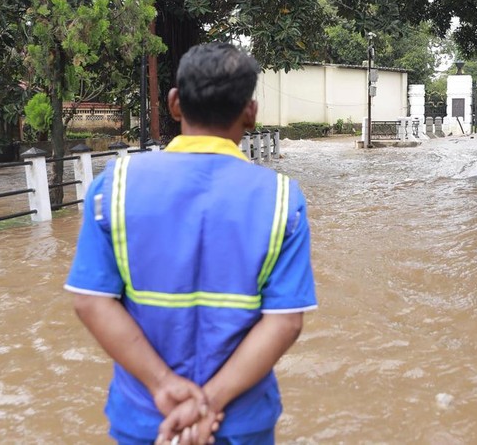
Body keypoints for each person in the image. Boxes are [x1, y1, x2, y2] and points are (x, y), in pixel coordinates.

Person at [65, 42, 317, 444]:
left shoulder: (114, 186)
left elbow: (91, 301)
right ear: (250, 113)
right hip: (239, 422)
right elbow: (285, 321)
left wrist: (164, 385)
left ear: (175, 103)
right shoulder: (282, 199)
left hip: (146, 418)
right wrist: (211, 402)